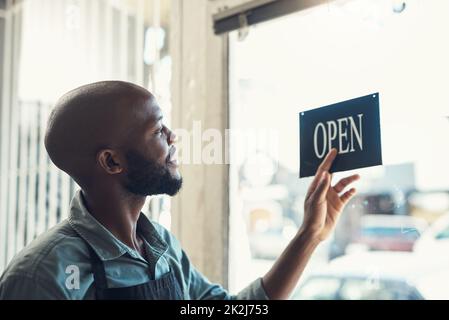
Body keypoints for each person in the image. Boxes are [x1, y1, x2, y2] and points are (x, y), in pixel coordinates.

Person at [0, 81, 359, 299]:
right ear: (111, 162)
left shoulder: (162, 248)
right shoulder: (42, 275)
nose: (173, 137)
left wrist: (309, 235)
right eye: (157, 130)